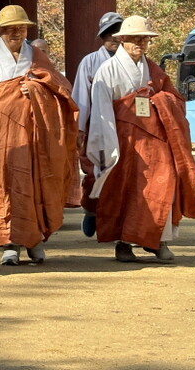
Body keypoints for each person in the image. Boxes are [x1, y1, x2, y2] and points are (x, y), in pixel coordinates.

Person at [87, 15, 195, 263]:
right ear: (122, 39)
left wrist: (160, 100)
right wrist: (105, 148)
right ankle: (124, 244)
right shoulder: (107, 71)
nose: (140, 44)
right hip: (123, 141)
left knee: (163, 183)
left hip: (154, 139)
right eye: (135, 39)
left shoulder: (153, 70)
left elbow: (174, 98)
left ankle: (158, 240)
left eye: (144, 39)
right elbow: (101, 113)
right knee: (124, 190)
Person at [0, 5, 78, 266]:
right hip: (2, 131)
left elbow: (62, 90)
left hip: (35, 132)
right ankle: (9, 243)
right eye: (10, 28)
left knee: (35, 182)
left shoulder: (37, 56)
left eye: (21, 28)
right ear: (0, 31)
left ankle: (34, 241)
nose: (16, 33)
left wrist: (37, 90)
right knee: (6, 183)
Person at [71, 12, 124, 237]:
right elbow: (81, 97)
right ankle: (91, 210)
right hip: (97, 124)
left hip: (124, 125)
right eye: (108, 34)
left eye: (117, 33)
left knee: (122, 173)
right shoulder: (90, 61)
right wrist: (79, 129)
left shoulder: (134, 61)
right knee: (94, 171)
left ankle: (118, 220)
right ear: (102, 37)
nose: (113, 38)